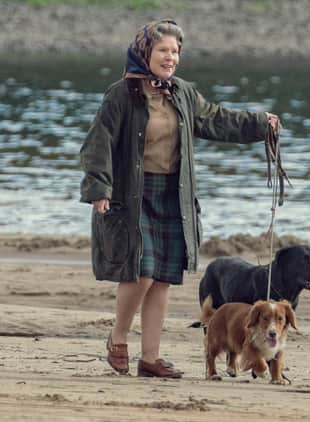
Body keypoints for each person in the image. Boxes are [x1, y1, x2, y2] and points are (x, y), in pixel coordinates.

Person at [79, 19, 279, 378]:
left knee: (162, 278)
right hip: (131, 197)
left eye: (175, 52)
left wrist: (260, 123)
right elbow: (98, 143)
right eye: (163, 51)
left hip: (174, 197)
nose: (170, 57)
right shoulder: (121, 95)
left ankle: (150, 359)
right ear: (145, 53)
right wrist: (98, 188)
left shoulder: (182, 92)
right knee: (140, 271)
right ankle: (119, 339)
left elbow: (216, 119)